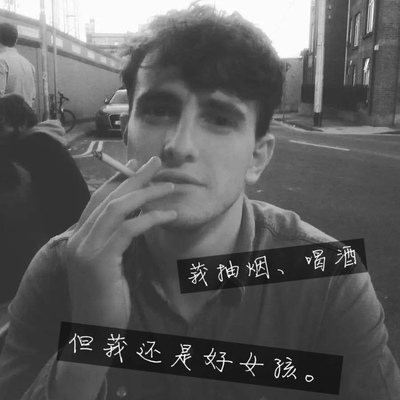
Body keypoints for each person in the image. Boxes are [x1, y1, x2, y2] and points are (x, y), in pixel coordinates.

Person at [0, 4, 399, 400]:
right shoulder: (61, 269)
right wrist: (90, 343)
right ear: (126, 135)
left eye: (220, 118)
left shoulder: (329, 281)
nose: (179, 145)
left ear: (257, 157)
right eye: (159, 110)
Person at [0, 94, 90, 303]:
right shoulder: (45, 139)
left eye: (1, 126)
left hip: (59, 245)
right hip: (73, 235)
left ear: (21, 124)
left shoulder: (32, 147)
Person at [0, 22, 36, 108]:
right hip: (26, 115)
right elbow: (32, 96)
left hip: (6, 115)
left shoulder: (1, 61)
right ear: (16, 40)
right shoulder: (28, 64)